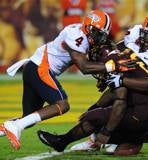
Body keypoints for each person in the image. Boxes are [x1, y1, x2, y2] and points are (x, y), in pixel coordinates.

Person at [37, 13, 148, 155]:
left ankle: (76, 140)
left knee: (106, 128)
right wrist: (96, 105)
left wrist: (106, 131)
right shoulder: (127, 46)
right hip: (136, 93)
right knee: (100, 115)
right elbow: (118, 58)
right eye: (144, 35)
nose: (145, 40)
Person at [0, 10, 122, 150]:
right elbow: (83, 67)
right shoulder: (77, 36)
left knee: (28, 119)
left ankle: (14, 125)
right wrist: (113, 66)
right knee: (62, 104)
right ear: (88, 27)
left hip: (34, 68)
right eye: (97, 33)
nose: (99, 38)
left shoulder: (82, 34)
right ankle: (15, 126)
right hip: (40, 68)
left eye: (102, 35)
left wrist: (102, 73)